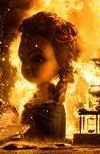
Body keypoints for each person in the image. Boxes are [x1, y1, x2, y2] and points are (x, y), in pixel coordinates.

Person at [18, 12, 80, 140]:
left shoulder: (55, 106)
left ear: (62, 63)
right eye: (23, 59)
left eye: (38, 59)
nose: (26, 67)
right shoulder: (34, 107)